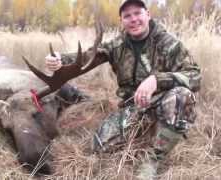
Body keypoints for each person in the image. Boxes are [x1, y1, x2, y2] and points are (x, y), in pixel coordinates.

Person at [45, 0, 201, 177]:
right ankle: (150, 132)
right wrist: (60, 59)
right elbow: (89, 56)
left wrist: (157, 80)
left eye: (137, 13)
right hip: (132, 108)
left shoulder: (169, 44)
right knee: (99, 147)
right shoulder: (117, 46)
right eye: (127, 16)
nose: (133, 19)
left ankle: (152, 159)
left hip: (162, 102)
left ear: (148, 14)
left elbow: (195, 76)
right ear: (121, 20)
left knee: (182, 96)